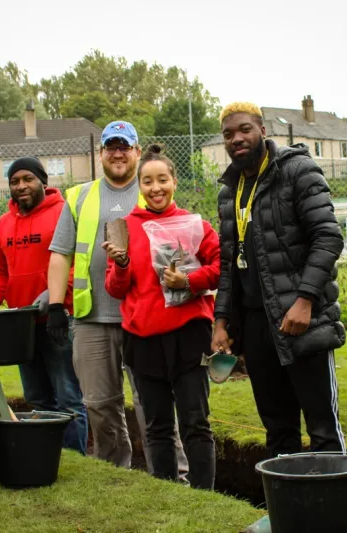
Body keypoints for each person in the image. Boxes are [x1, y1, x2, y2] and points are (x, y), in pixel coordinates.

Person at [47, 121, 188, 476]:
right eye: (111, 146)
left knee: (153, 405)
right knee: (99, 404)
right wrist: (54, 306)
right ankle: (115, 475)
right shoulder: (79, 196)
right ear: (101, 154)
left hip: (143, 317)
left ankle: (171, 477)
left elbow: (179, 250)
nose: (118, 152)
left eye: (125, 146)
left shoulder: (153, 190)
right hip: (92, 319)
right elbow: (61, 253)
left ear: (137, 153)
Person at [210, 102, 347, 457]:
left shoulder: (297, 170)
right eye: (228, 134)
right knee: (277, 427)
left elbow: (328, 237)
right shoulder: (230, 190)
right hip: (256, 327)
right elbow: (229, 262)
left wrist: (305, 300)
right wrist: (221, 321)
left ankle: (330, 508)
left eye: (244, 130)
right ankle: (289, 509)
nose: (237, 139)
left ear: (262, 131)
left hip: (300, 320)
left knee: (322, 427)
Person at [103, 144, 219, 489]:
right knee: (156, 427)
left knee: (195, 422)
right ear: (139, 186)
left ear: (174, 182)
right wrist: (122, 265)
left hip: (189, 336)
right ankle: (168, 494)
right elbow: (115, 288)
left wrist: (190, 280)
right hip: (142, 340)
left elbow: (220, 268)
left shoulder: (196, 225)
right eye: (148, 181)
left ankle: (204, 497)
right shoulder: (123, 227)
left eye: (162, 180)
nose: (156, 188)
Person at [0, 156, 88, 455]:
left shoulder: (63, 214)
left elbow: (78, 262)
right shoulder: (3, 225)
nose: (21, 186)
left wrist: (54, 294)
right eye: (15, 181)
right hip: (21, 328)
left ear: (43, 181)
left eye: (28, 179)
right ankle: (48, 456)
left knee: (69, 399)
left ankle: (77, 460)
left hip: (58, 321)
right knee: (38, 398)